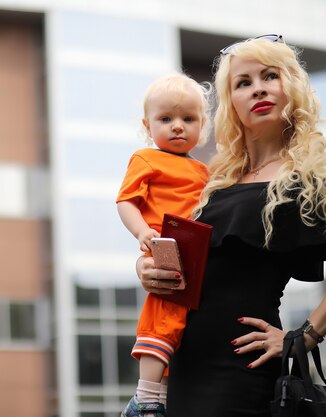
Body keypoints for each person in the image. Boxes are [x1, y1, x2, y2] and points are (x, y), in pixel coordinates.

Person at [135, 35, 326, 417]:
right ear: (231, 103)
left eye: (270, 76)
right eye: (243, 83)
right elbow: (179, 254)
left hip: (240, 369)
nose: (258, 89)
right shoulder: (216, 180)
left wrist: (305, 336)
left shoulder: (305, 177)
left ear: (291, 89)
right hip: (182, 366)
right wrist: (147, 268)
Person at [116, 73, 211, 417]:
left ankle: (163, 392)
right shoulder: (146, 159)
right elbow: (126, 201)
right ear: (147, 124)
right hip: (164, 243)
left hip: (196, 250)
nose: (177, 127)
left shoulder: (204, 171)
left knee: (183, 321)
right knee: (164, 313)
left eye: (188, 119)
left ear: (203, 125)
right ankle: (147, 397)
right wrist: (142, 232)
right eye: (166, 119)